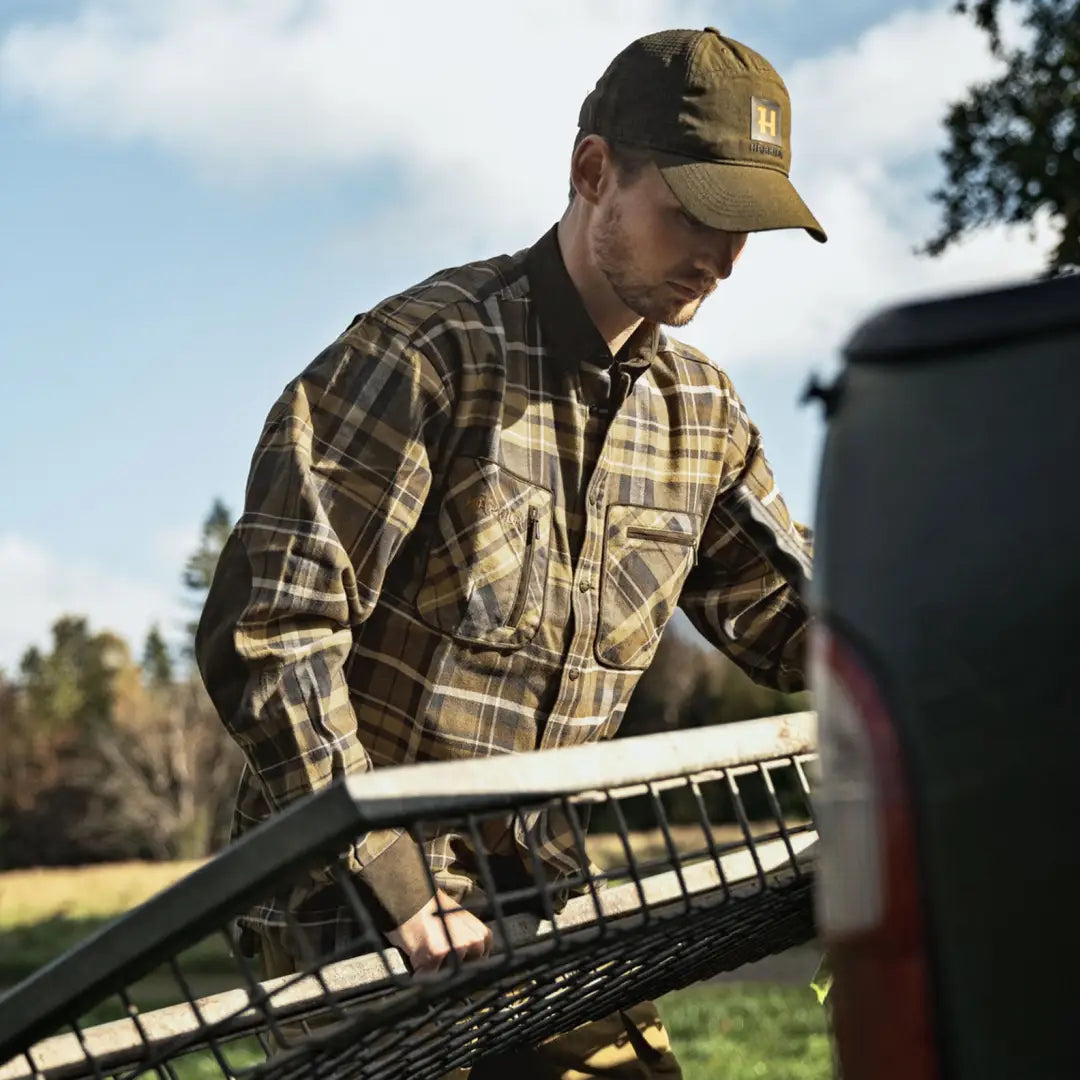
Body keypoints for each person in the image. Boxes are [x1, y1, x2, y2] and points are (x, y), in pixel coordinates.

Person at [196, 25, 824, 1079]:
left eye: (747, 228)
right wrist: (392, 885)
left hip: (541, 905)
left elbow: (803, 622)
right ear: (593, 173)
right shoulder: (425, 359)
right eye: (698, 214)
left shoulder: (703, 416)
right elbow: (271, 629)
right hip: (349, 914)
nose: (722, 257)